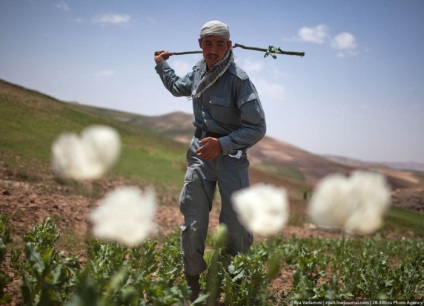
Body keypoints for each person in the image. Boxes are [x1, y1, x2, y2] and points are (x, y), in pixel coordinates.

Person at [154, 20, 266, 302]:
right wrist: (162, 65)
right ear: (200, 45)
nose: (213, 49)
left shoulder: (238, 80)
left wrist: (222, 145)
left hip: (231, 158)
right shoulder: (197, 71)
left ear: (229, 46)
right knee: (193, 220)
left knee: (236, 225)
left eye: (219, 44)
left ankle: (232, 281)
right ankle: (192, 283)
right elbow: (178, 87)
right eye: (208, 43)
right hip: (200, 154)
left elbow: (257, 128)